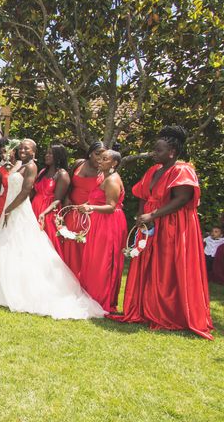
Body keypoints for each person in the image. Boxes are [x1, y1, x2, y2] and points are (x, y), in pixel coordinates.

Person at [0, 139, 105, 320]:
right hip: (13, 206)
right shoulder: (18, 163)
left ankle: (22, 287)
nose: (23, 150)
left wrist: (9, 209)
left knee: (21, 244)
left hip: (19, 209)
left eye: (27, 148)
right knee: (5, 243)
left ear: (34, 152)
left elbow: (26, 191)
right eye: (21, 147)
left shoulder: (32, 167)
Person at [111, 126, 213, 340]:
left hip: (174, 225)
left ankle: (168, 313)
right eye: (154, 150)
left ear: (172, 152)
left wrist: (153, 215)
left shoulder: (182, 169)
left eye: (158, 150)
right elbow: (141, 195)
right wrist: (142, 218)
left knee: (167, 268)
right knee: (148, 265)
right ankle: (146, 309)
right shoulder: (153, 170)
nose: (153, 153)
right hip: (150, 224)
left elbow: (182, 199)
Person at [77, 150, 127, 312]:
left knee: (104, 260)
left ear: (114, 163)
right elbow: (96, 198)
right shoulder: (101, 177)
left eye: (105, 159)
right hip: (98, 221)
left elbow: (111, 207)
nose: (100, 161)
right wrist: (85, 205)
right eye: (100, 157)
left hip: (109, 223)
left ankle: (102, 298)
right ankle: (91, 294)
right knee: (92, 259)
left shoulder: (112, 180)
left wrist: (90, 207)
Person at [61, 141, 106, 276]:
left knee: (83, 245)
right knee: (68, 243)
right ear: (90, 153)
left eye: (103, 156)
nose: (99, 158)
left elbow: (102, 195)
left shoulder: (104, 172)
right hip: (71, 209)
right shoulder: (78, 164)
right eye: (97, 154)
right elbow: (68, 183)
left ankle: (82, 276)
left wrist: (87, 206)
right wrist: (67, 197)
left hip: (89, 213)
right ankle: (67, 275)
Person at [32, 144, 70, 258]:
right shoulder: (43, 171)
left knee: (47, 245)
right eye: (47, 153)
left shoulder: (62, 174)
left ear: (58, 156)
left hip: (49, 213)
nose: (46, 155)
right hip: (34, 208)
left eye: (50, 153)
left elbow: (58, 200)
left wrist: (44, 213)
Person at [0, 138, 21, 223]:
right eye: (0, 153)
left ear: (14, 151)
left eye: (5, 151)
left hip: (19, 202)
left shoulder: (22, 165)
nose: (2, 155)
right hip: (3, 204)